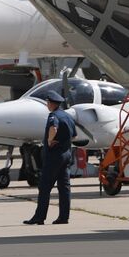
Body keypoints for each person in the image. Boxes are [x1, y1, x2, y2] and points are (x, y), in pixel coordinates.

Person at [24, 88, 75, 226]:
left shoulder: (53, 116)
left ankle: (39, 217)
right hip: (66, 155)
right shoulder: (68, 116)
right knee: (64, 188)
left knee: (44, 187)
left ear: (51, 103)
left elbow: (53, 128)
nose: (47, 104)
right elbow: (74, 135)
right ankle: (64, 217)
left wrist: (49, 140)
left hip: (54, 157)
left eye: (47, 102)